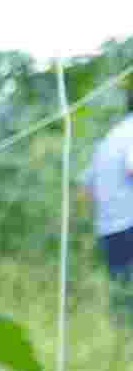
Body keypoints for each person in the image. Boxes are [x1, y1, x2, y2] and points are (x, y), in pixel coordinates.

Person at [75, 81, 133, 324]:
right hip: (130, 224)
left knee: (123, 301)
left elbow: (86, 187)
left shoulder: (113, 134)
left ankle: (120, 353)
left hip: (109, 229)